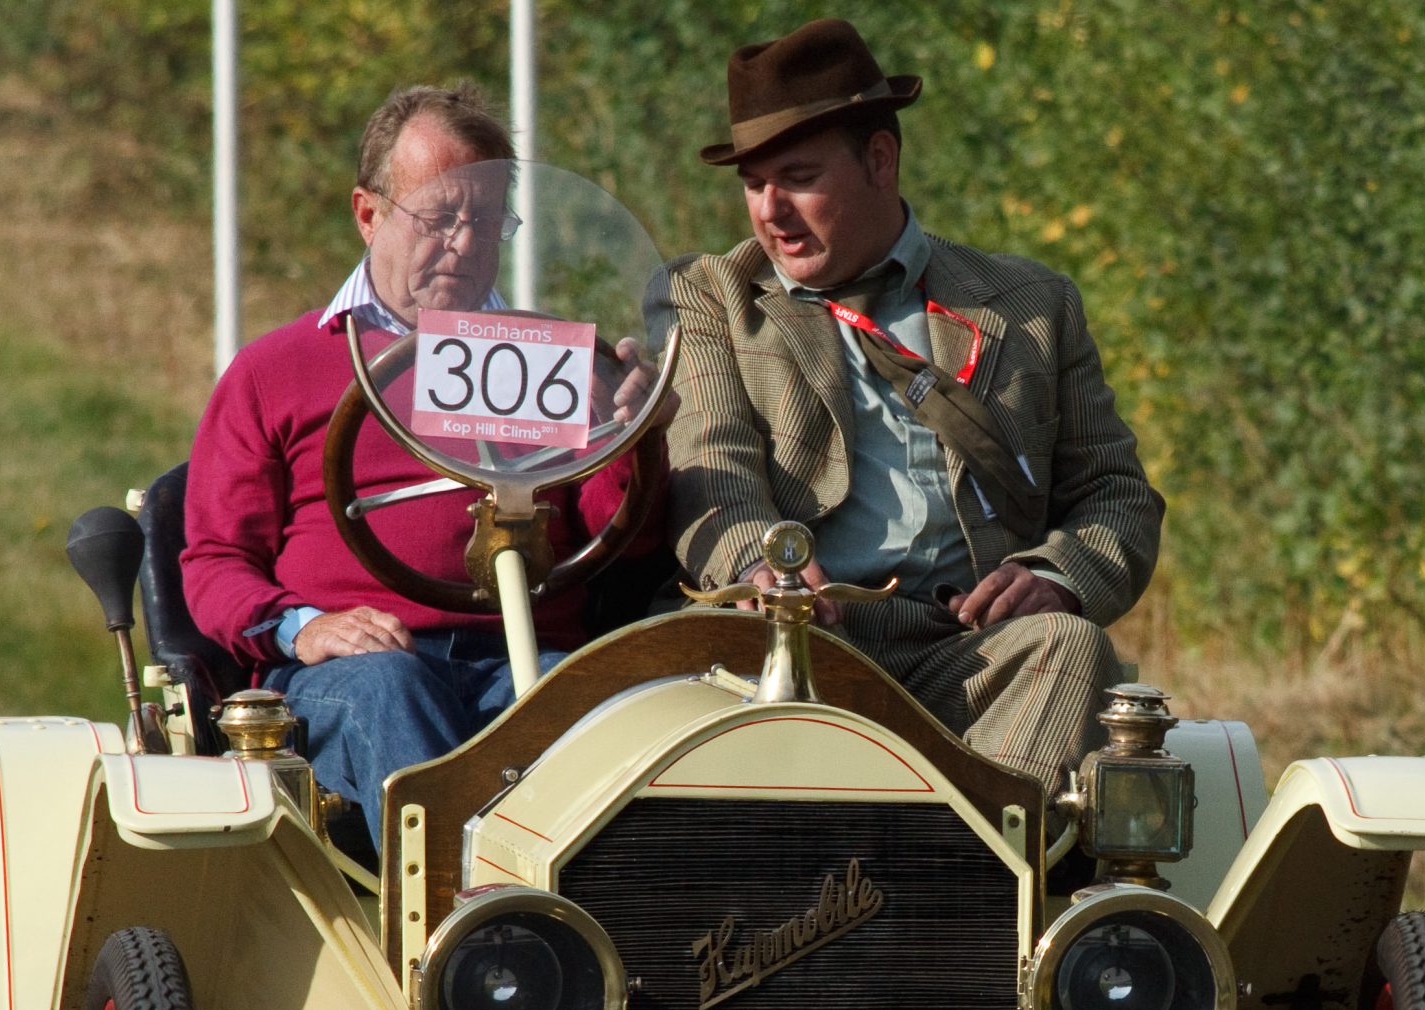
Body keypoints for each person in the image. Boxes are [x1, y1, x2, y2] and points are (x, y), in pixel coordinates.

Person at [661, 19, 1165, 795]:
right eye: (753, 186)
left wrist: (1057, 576)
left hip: (968, 646)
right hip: (796, 643)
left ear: (880, 160)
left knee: (1068, 647)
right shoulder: (715, 297)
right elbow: (712, 466)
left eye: (796, 177)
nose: (770, 211)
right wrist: (760, 568)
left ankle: (959, 876)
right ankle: (937, 874)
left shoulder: (1029, 305)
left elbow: (1118, 496)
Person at [181, 82, 661, 857]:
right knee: (390, 688)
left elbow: (620, 543)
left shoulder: (546, 362)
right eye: (440, 218)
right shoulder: (276, 369)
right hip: (362, 669)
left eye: (487, 220)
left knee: (631, 710)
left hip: (526, 659)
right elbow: (214, 562)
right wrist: (306, 630)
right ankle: (464, 932)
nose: (466, 245)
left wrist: (627, 433)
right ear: (368, 214)